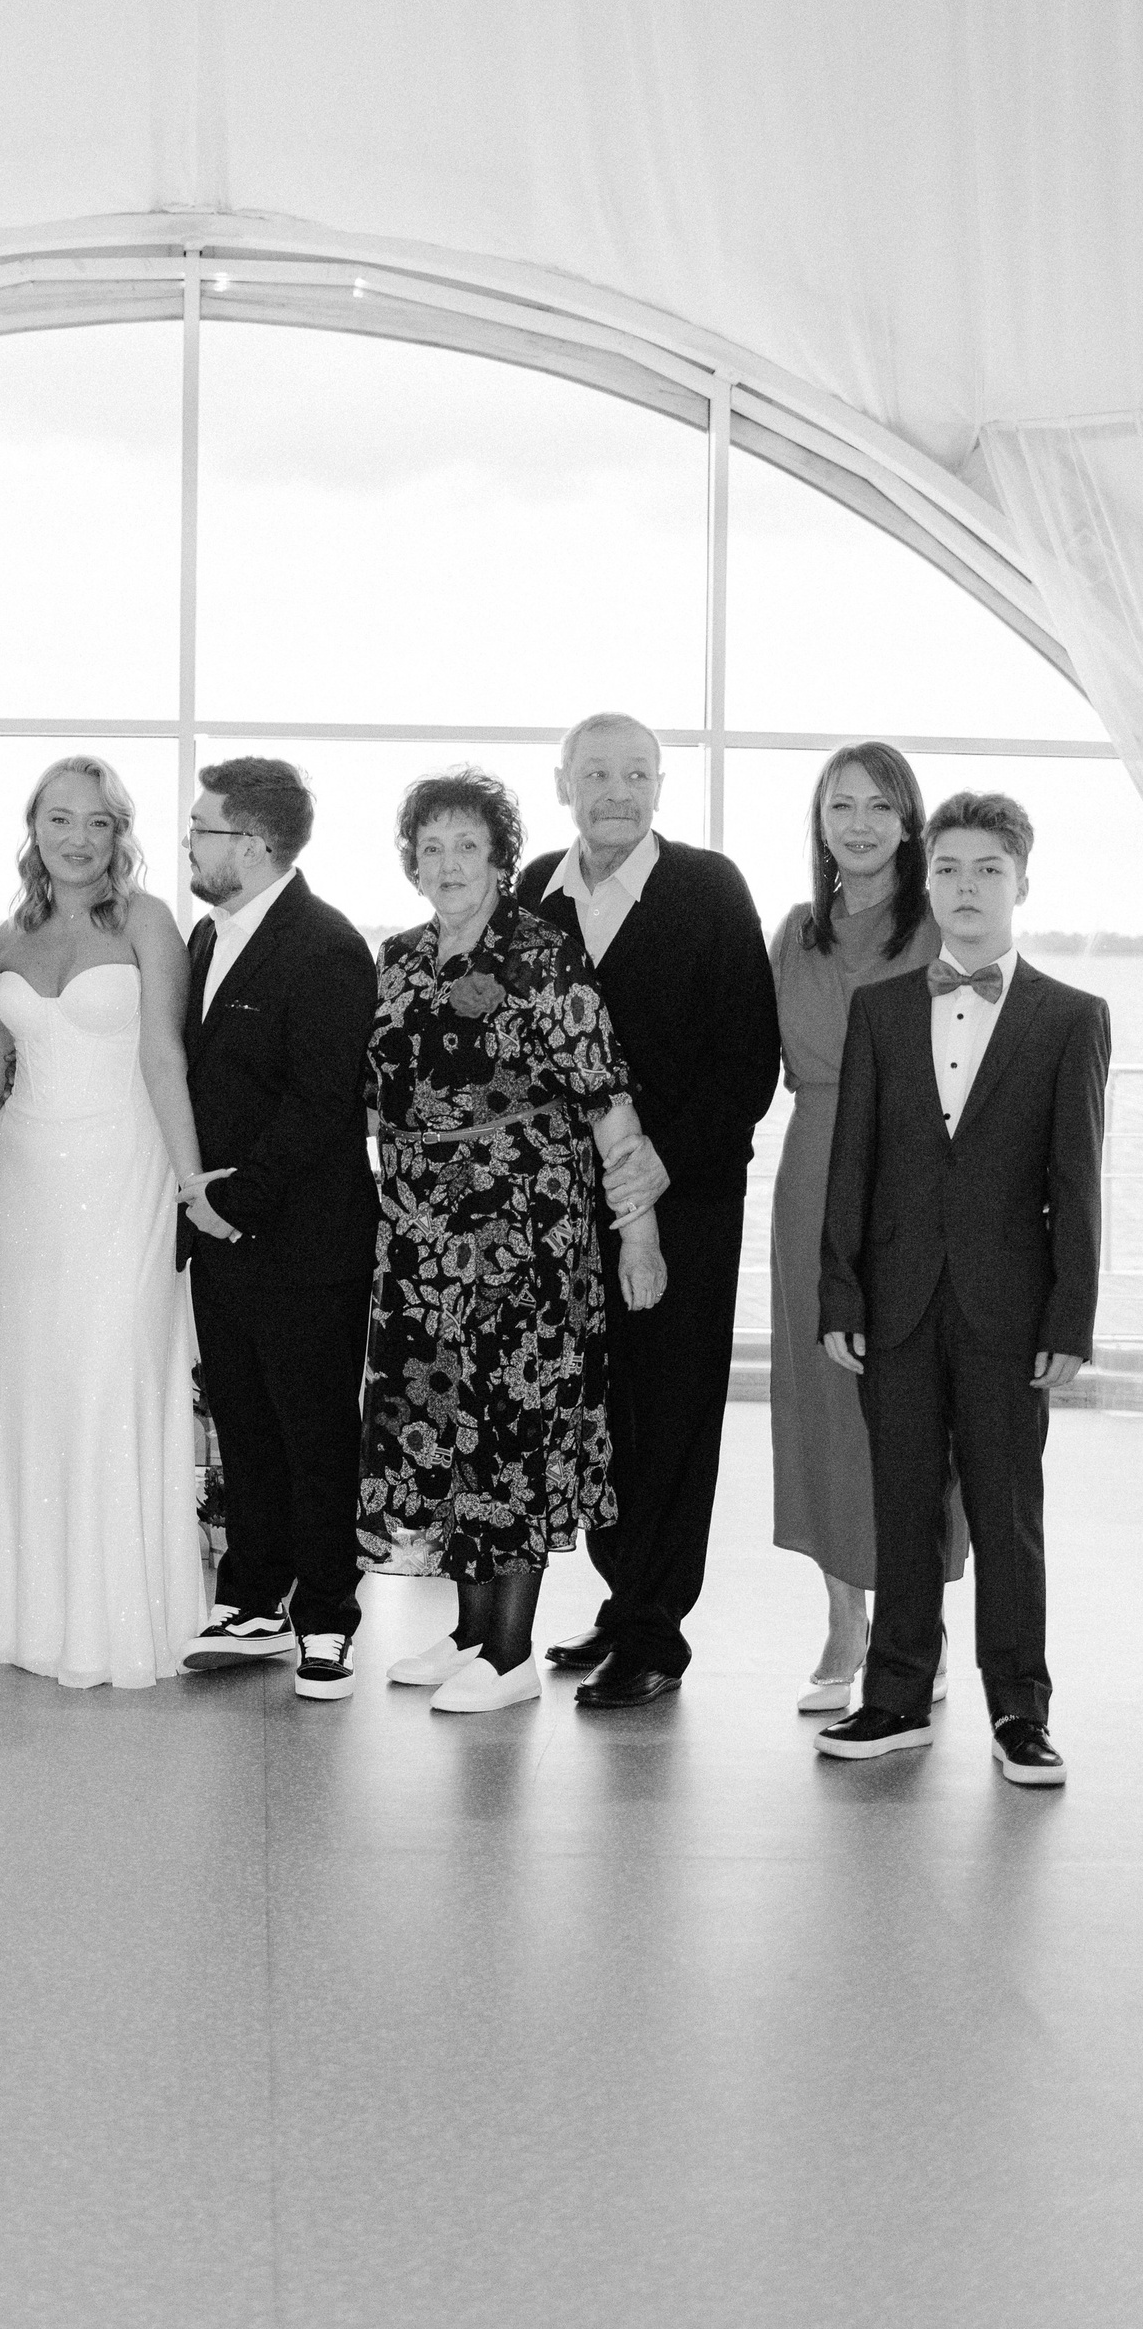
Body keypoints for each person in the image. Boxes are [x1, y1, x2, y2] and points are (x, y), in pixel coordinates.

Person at [816, 793, 1109, 1788]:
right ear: (927, 880)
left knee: (1006, 1510)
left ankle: (1020, 1711)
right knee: (902, 1505)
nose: (967, 886)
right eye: (948, 868)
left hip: (1010, 1311)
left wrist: (1070, 1316)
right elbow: (851, 1166)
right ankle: (895, 1697)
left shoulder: (1072, 1017)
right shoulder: (879, 1010)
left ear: (1022, 882)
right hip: (894, 1302)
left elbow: (1078, 1181)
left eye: (989, 868)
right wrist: (840, 1295)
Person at [361, 771, 668, 1712]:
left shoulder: (543, 956)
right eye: (431, 847)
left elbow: (608, 1103)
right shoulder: (400, 958)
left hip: (522, 1239)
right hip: (421, 1243)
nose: (448, 863)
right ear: (412, 863)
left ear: (500, 859)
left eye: (468, 845)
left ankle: (510, 1656)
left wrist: (639, 1235)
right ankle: (468, 1635)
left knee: (513, 1431)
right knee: (448, 1425)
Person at [518, 713, 782, 1706]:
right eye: (596, 773)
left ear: (661, 787)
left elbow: (748, 1060)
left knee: (669, 1410)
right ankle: (624, 1595)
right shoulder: (534, 889)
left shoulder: (709, 888)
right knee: (592, 1407)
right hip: (561, 1208)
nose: (616, 792)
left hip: (686, 1198)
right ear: (564, 785)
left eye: (636, 774)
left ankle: (655, 1634)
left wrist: (653, 1169)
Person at [0, 759, 206, 1686]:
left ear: (120, 832)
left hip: (125, 1168)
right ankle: (24, 1611)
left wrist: (192, 1184)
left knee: (110, 1369)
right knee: (33, 1378)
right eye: (60, 819)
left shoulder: (147, 921)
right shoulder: (8, 933)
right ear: (35, 828)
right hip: (27, 1183)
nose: (79, 839)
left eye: (98, 822)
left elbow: (166, 1055)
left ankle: (118, 1617)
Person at [176, 757, 380, 1701]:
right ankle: (252, 1600)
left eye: (203, 829)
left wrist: (235, 1200)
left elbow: (321, 1103)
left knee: (316, 1434)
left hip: (304, 1243)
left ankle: (329, 1617)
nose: (190, 844)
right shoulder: (204, 937)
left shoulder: (327, 946)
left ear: (252, 844)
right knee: (245, 1425)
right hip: (219, 1238)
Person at [768, 744, 961, 1715]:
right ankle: (846, 1618)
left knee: (913, 1405)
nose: (859, 824)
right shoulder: (794, 933)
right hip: (811, 1176)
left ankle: (915, 1629)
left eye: (880, 807)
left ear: (909, 822)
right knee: (822, 1404)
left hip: (911, 1177)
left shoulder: (937, 927)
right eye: (841, 805)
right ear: (820, 820)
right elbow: (750, 1063)